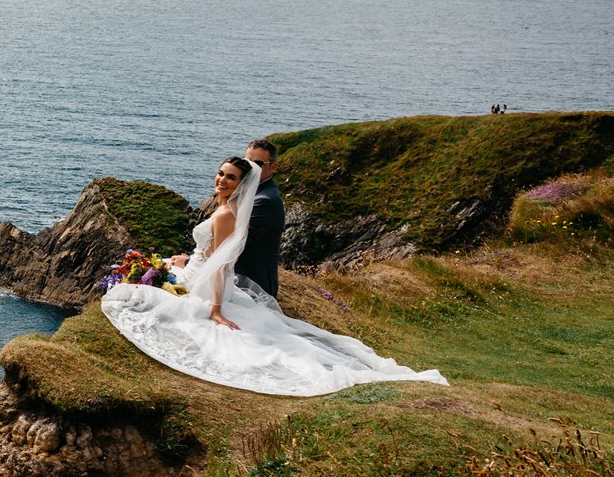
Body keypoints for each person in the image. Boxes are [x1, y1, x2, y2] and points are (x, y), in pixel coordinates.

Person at [101, 156, 448, 397]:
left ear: (241, 184)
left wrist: (217, 309)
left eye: (230, 177)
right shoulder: (225, 209)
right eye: (221, 173)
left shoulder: (224, 215)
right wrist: (185, 259)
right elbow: (210, 254)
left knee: (133, 299)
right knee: (150, 273)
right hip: (195, 270)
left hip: (206, 285)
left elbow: (221, 265)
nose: (222, 179)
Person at [237, 138, 284, 298]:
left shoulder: (265, 201)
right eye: (246, 162)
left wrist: (192, 264)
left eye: (257, 164)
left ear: (273, 167)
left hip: (251, 284)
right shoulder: (251, 190)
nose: (250, 168)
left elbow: (238, 243)